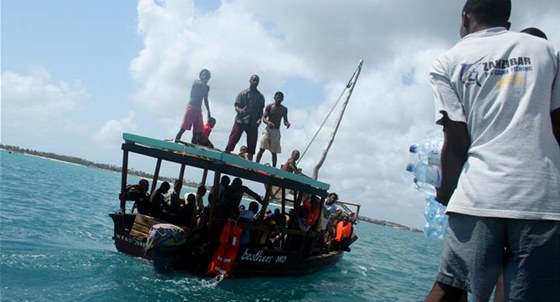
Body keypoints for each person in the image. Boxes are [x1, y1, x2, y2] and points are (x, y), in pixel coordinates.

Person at [424, 1, 560, 301]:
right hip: (542, 200)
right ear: (507, 24)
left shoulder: (447, 61)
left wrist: (447, 192)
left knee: (448, 289)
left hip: (477, 197)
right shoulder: (547, 52)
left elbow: (455, 139)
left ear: (464, 17)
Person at [224, 75, 265, 160]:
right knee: (233, 137)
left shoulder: (260, 97)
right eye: (253, 80)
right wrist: (239, 110)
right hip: (241, 120)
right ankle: (226, 154)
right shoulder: (243, 93)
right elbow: (236, 106)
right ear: (250, 81)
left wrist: (259, 120)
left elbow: (261, 111)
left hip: (253, 122)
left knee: (252, 141)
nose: (255, 82)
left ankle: (249, 162)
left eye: (257, 81)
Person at [175, 69, 212, 144]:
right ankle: (176, 141)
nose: (205, 77)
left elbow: (205, 99)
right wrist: (204, 82)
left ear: (208, 78)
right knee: (183, 128)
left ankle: (193, 146)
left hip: (198, 110)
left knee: (197, 131)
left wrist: (208, 111)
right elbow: (200, 83)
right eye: (203, 75)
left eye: (207, 76)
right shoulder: (196, 82)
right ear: (200, 76)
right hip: (191, 108)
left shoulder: (207, 88)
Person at [255, 91, 291, 167]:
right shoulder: (269, 106)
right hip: (268, 129)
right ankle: (256, 164)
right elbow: (264, 118)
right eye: (277, 97)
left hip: (276, 131)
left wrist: (287, 123)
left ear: (282, 99)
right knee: (262, 147)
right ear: (274, 98)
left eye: (280, 98)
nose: (278, 99)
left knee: (274, 152)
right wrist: (268, 123)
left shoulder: (284, 109)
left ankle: (273, 168)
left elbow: (285, 120)